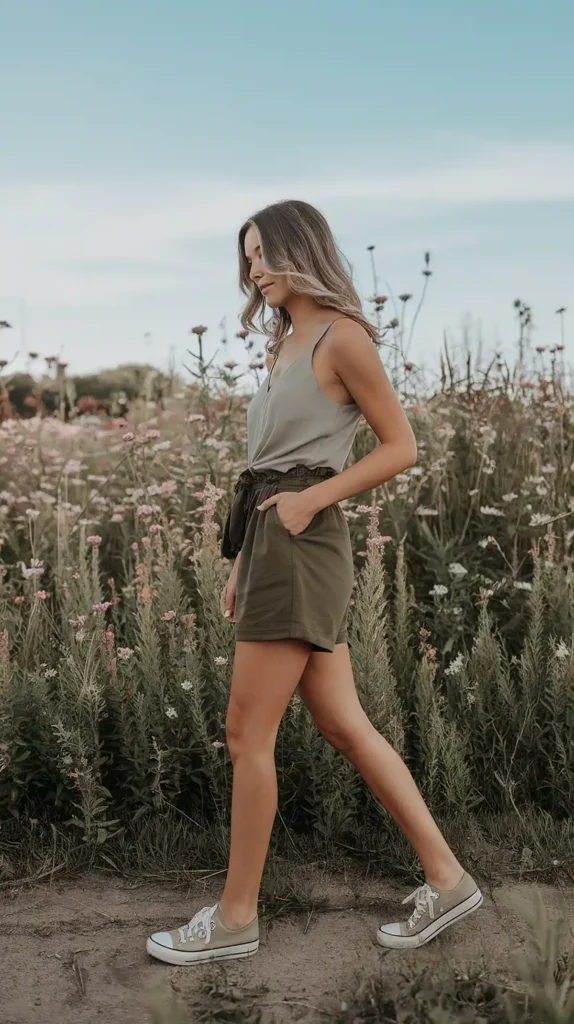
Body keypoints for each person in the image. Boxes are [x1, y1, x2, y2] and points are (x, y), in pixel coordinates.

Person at [147, 200, 482, 966]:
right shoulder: (285, 344)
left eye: (265, 253)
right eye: (248, 258)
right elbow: (266, 471)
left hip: (305, 540)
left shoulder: (342, 337)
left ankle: (235, 919)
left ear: (302, 249)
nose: (254, 269)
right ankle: (448, 876)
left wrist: (313, 500)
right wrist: (242, 561)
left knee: (245, 733)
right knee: (342, 722)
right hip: (274, 543)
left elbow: (401, 447)